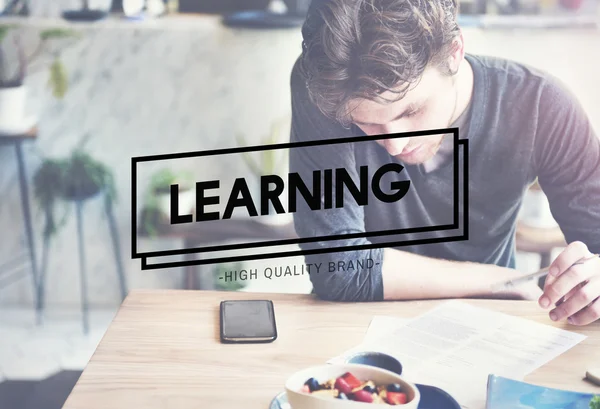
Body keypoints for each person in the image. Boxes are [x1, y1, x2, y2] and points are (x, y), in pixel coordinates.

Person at [288, 0, 600, 325]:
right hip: (360, 328)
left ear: (454, 52)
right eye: (362, 122)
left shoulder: (540, 104)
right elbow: (338, 269)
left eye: (411, 111)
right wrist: (497, 281)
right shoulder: (328, 86)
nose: (394, 145)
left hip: (493, 325)